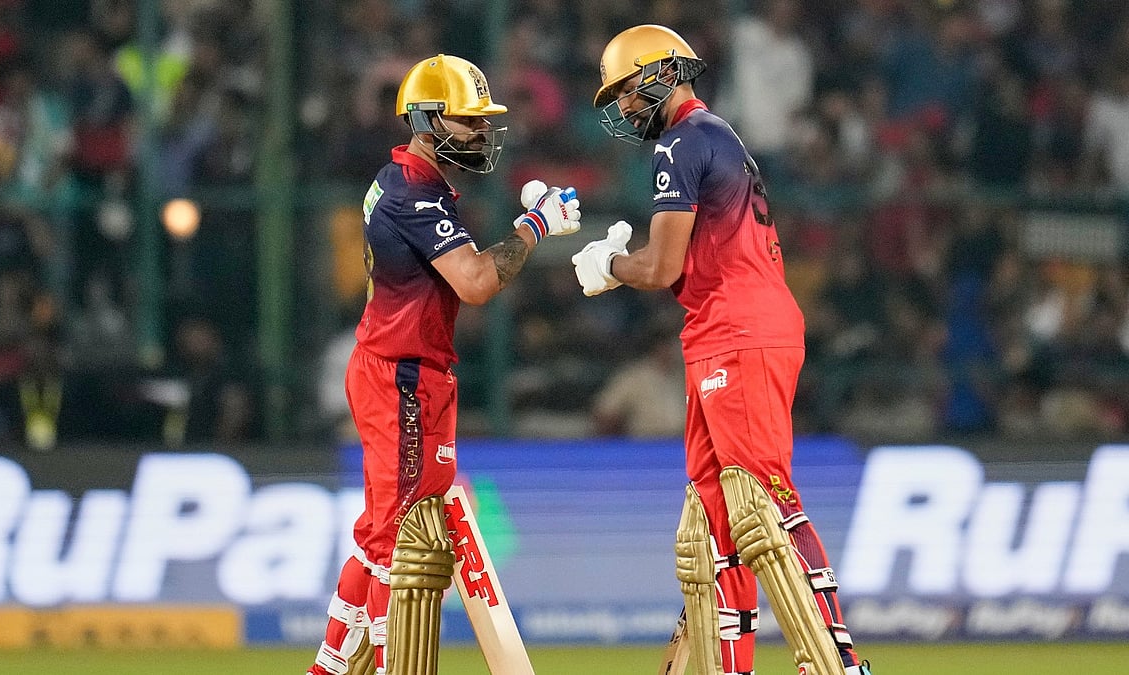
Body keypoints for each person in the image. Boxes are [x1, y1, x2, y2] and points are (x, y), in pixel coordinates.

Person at [571, 25, 870, 675]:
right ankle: (730, 665)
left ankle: (837, 660)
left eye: (625, 92)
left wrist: (608, 263)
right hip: (722, 328)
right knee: (716, 520)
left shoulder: (683, 143)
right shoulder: (715, 137)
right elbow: (687, 263)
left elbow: (660, 265)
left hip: (739, 330)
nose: (622, 109)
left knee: (763, 500)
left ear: (658, 75)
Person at [305, 53, 581, 675]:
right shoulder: (413, 193)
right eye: (468, 121)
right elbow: (477, 282)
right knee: (400, 541)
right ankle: (379, 659)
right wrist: (535, 227)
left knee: (383, 535)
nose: (482, 134)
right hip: (402, 378)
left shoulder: (404, 180)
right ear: (428, 121)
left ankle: (331, 667)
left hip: (402, 371)